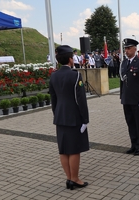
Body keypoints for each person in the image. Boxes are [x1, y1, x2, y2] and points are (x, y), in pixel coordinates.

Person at [49, 45, 89, 190]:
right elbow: (81, 100)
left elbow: (53, 99)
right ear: (71, 59)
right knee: (74, 149)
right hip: (74, 117)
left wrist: (57, 114)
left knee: (63, 149)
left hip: (60, 116)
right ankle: (75, 179)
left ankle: (68, 178)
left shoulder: (53, 75)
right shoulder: (75, 75)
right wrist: (85, 119)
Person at [120, 38, 139, 156]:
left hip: (137, 100)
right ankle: (133, 144)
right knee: (130, 122)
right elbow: (122, 81)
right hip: (126, 99)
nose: (126, 51)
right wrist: (122, 96)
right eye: (125, 48)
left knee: (138, 123)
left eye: (128, 48)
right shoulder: (124, 63)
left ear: (135, 49)